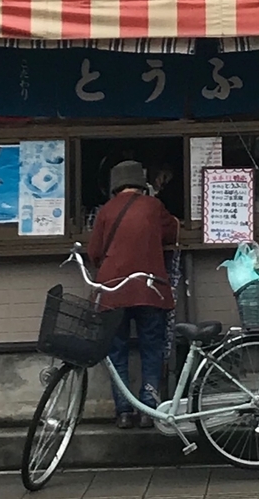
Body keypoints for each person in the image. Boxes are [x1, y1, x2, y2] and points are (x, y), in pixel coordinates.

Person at [88, 160, 178, 429]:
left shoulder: (105, 211)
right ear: (141, 183)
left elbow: (94, 252)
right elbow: (173, 231)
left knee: (117, 352)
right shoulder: (153, 206)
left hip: (113, 291)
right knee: (152, 348)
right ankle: (148, 409)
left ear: (115, 185)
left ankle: (124, 411)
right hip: (149, 290)